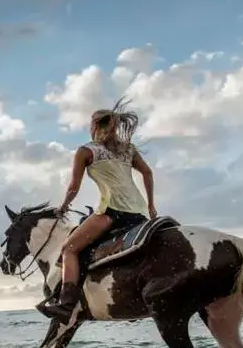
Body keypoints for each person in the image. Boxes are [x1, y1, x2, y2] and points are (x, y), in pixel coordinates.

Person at [38, 98, 157, 323]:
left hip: (111, 210)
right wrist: (151, 205)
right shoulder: (128, 150)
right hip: (138, 211)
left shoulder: (86, 151)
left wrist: (63, 207)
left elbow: (74, 187)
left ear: (94, 126)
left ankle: (65, 305)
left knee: (69, 249)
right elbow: (148, 173)